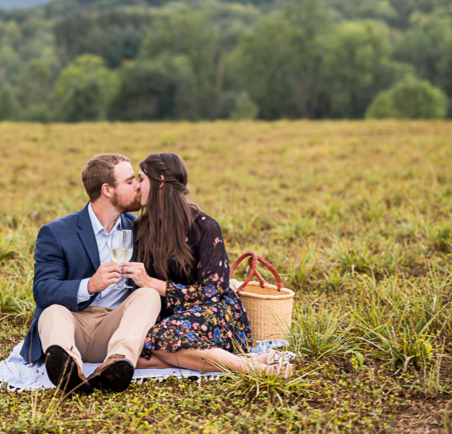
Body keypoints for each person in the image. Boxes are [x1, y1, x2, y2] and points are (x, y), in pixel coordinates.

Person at [120, 152, 293, 376]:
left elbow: (212, 291)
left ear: (160, 182)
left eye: (141, 179)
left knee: (160, 340)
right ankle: (243, 360)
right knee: (135, 354)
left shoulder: (204, 227)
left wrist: (153, 284)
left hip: (213, 313)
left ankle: (250, 369)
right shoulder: (141, 228)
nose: (137, 186)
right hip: (169, 317)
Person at [20, 153, 162, 394]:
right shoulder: (57, 232)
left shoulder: (139, 228)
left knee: (149, 295)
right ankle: (68, 369)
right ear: (107, 189)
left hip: (118, 327)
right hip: (74, 327)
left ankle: (117, 363)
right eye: (129, 182)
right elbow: (42, 290)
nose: (138, 185)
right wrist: (89, 285)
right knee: (52, 311)